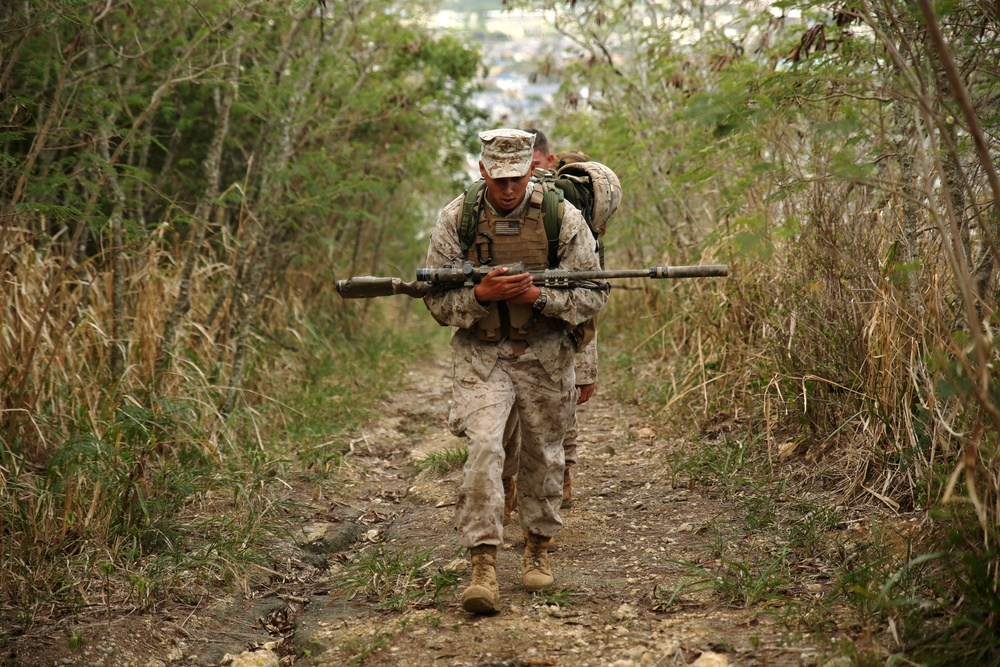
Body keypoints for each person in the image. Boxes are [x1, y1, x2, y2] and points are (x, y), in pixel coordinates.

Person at [423, 128, 608, 615]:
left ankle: (538, 546)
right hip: (483, 357)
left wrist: (538, 298)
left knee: (544, 455)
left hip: (545, 355)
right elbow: (436, 300)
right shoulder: (457, 219)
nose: (508, 188)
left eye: (517, 178)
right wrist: (479, 297)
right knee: (484, 448)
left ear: (532, 169)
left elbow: (594, 294)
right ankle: (482, 561)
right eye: (498, 179)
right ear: (483, 171)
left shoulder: (561, 217)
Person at [501, 130, 597, 526]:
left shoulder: (565, 212)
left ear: (548, 160)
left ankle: (562, 476)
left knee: (562, 412)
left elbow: (589, 295)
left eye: (532, 169)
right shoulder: (492, 206)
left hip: (562, 325)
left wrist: (587, 364)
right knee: (508, 419)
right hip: (507, 333)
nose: (523, 184)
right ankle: (509, 483)